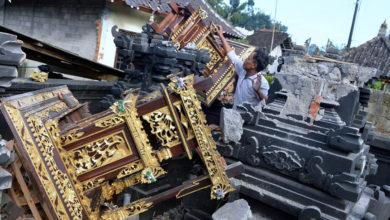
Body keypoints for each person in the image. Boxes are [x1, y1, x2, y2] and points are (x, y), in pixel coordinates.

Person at [216, 25, 270, 109]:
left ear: (254, 65)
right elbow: (232, 55)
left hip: (244, 120)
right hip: (232, 114)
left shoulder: (262, 82)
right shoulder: (242, 70)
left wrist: (257, 91)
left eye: (248, 59)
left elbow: (265, 101)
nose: (245, 60)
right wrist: (221, 35)